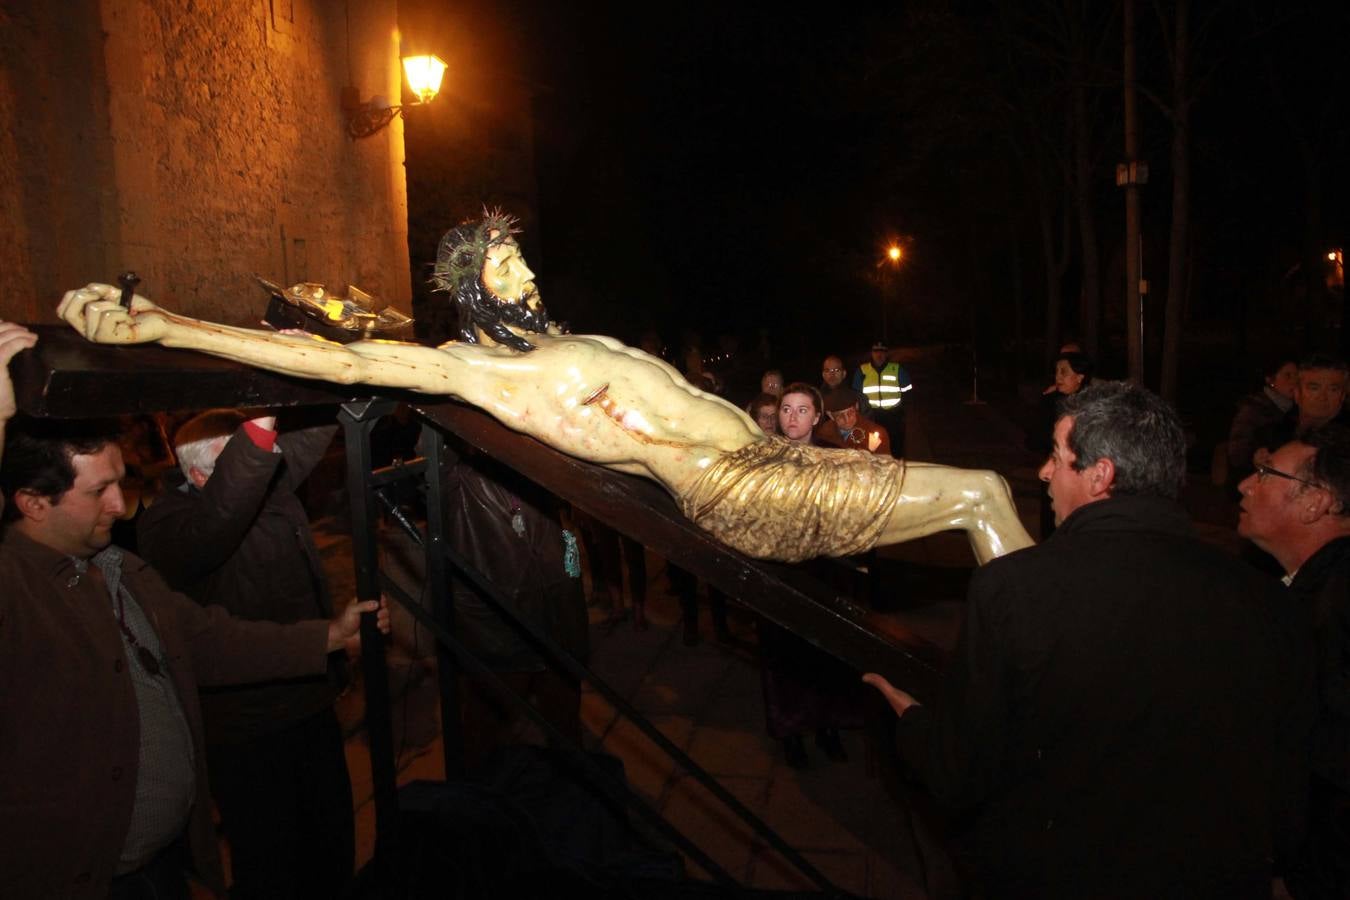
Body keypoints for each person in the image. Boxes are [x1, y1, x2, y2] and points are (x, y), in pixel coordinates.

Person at [58, 212, 1032, 566]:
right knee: (983, 498)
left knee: (973, 503)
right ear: (481, 287)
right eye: (510, 267)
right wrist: (160, 323)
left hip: (764, 458)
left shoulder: (553, 341)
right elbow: (347, 363)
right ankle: (1053, 685)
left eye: (522, 261)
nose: (528, 277)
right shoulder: (479, 371)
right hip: (742, 487)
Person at [864, 381, 1308, 899]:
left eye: (1056, 456)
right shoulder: (1269, 601)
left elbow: (961, 771)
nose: (1044, 472)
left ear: (1100, 477)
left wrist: (912, 723)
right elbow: (1288, 787)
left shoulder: (1014, 589)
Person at [0, 415, 387, 899]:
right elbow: (220, 517)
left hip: (159, 865)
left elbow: (204, 640)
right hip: (82, 875)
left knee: (328, 851)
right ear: (34, 504)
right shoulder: (21, 589)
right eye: (100, 491)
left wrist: (329, 637)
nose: (121, 507)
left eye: (120, 483)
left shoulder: (117, 568)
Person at [134, 408, 355, 899]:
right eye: (246, 461)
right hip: (247, 728)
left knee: (332, 847)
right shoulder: (167, 526)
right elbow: (221, 518)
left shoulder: (265, 487)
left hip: (309, 699)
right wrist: (256, 428)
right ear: (197, 475)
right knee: (271, 866)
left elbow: (303, 439)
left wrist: (323, 377)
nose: (266, 470)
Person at [1237, 425, 1350, 899]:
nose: (1245, 484)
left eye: (1265, 473)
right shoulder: (1315, 587)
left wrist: (1302, 876)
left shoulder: (1338, 602)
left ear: (1315, 502)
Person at [1255, 353, 1350, 457]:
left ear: (1342, 396)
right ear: (1297, 393)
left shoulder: (1344, 441)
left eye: (1333, 390)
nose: (1322, 397)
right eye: (1314, 388)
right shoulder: (1274, 434)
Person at [1226, 358, 1298, 485]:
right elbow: (1237, 452)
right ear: (1270, 380)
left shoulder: (1294, 411)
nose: (1294, 381)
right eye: (1287, 376)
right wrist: (1255, 457)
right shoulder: (1254, 409)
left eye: (1297, 376)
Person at [853, 340, 911, 457]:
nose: (879, 355)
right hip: (872, 416)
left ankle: (896, 467)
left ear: (887, 353)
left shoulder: (897, 369)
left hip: (894, 416)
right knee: (874, 448)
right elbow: (856, 395)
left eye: (882, 352)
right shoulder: (862, 370)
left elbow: (907, 391)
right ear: (871, 353)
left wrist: (902, 410)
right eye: (876, 351)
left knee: (895, 447)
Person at [815, 387, 889, 454]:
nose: (847, 419)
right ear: (830, 415)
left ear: (856, 406)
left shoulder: (875, 432)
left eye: (850, 412)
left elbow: (886, 465)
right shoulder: (822, 434)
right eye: (840, 415)